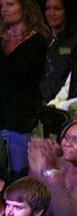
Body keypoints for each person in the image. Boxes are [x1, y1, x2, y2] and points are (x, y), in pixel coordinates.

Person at [0, 0, 48, 181]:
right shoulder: (1, 38)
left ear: (25, 6)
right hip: (1, 115)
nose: (4, 9)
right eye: (2, 5)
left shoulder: (37, 42)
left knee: (19, 177)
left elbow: (23, 77)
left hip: (21, 119)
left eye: (10, 4)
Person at [40, 0, 77, 104]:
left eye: (57, 9)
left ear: (66, 11)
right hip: (39, 101)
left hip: (61, 103)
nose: (51, 13)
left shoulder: (76, 41)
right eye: (48, 9)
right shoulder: (41, 40)